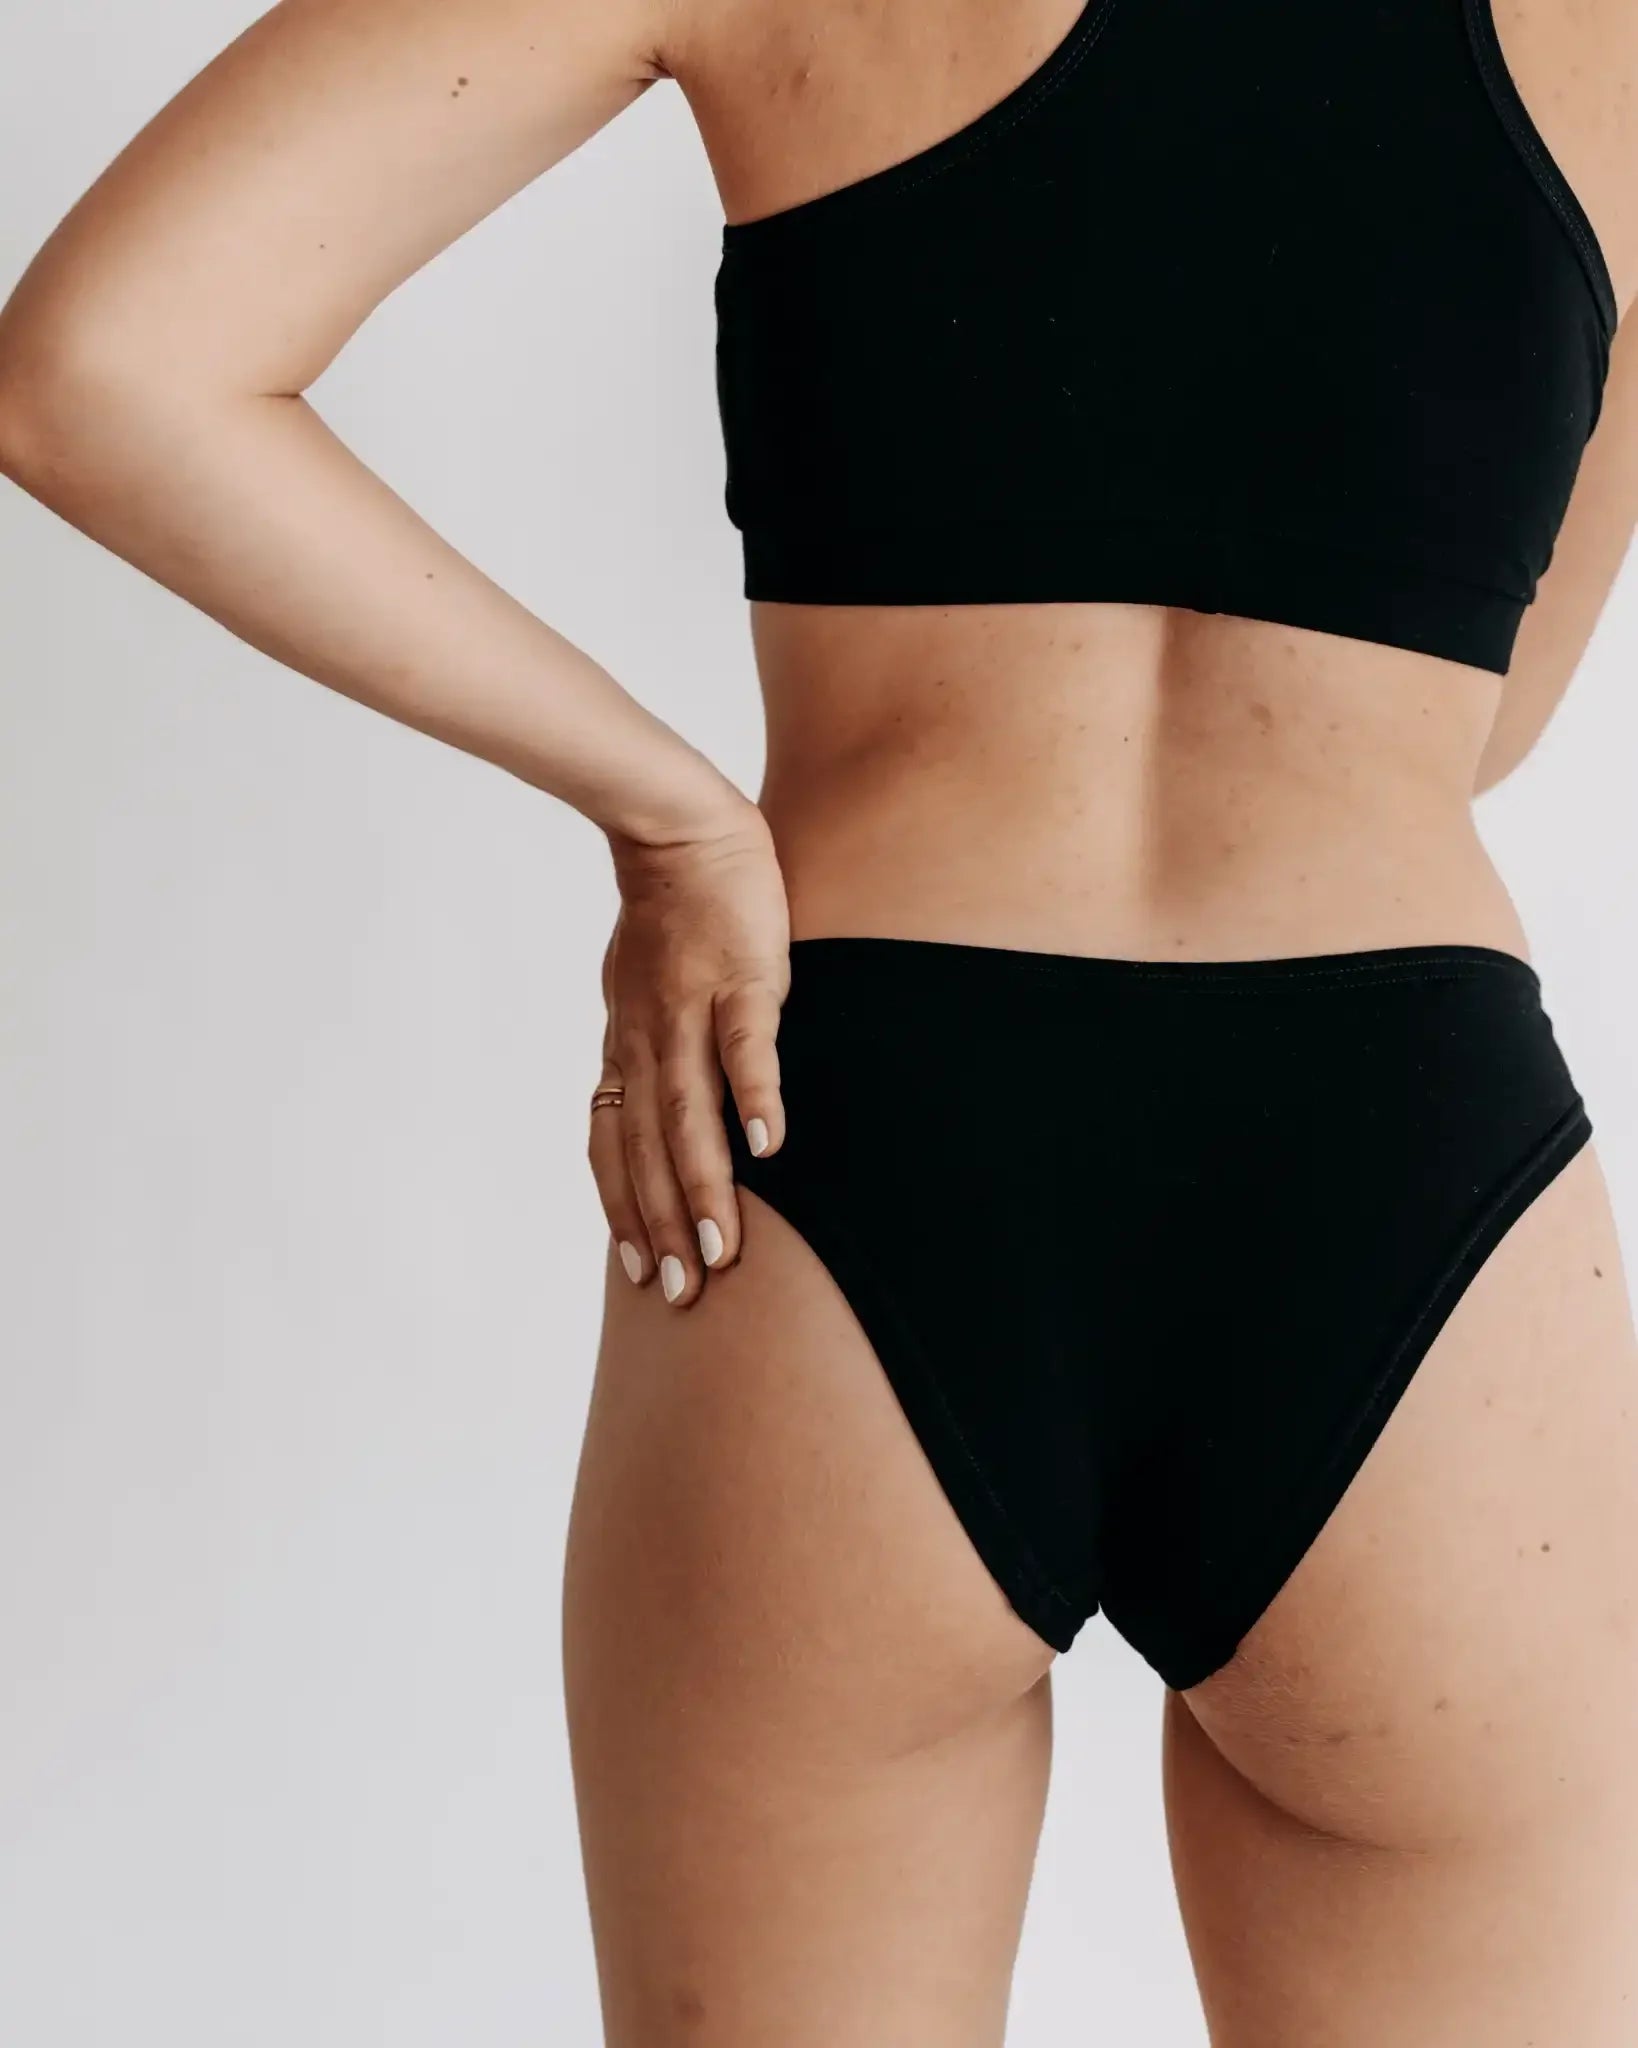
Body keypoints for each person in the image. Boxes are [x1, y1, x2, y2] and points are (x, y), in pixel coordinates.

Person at [3, 0, 1637, 2038]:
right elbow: (1493, 707)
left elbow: (99, 367)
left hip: (848, 1126)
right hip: (1417, 1193)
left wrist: (672, 818)